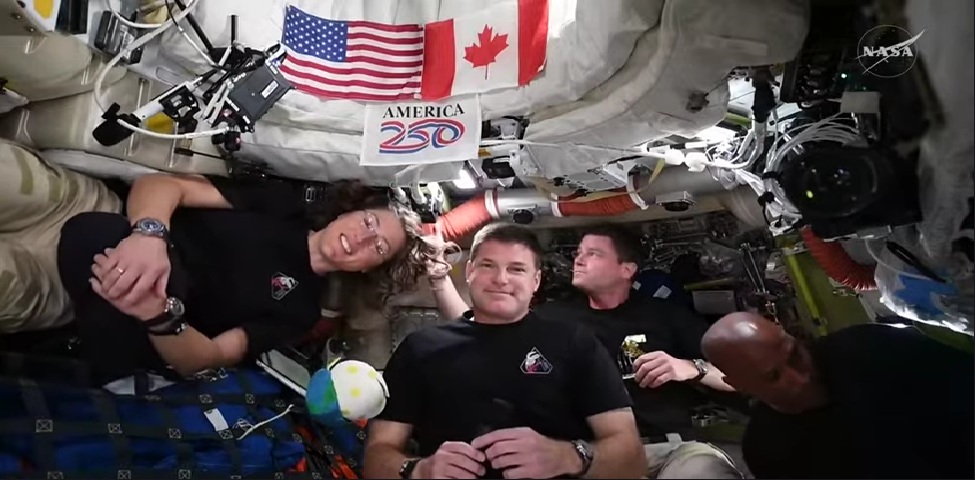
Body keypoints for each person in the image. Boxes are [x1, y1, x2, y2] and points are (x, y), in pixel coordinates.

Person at [427, 224, 741, 479]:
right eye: (578, 253)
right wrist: (439, 279)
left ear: (626, 269)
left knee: (703, 472)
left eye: (593, 254)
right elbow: (477, 330)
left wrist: (692, 367)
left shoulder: (665, 315)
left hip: (669, 452)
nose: (578, 260)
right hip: (588, 457)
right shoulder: (553, 319)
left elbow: (740, 378)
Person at [57, 173, 437, 383]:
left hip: (137, 317)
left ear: (369, 268)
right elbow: (161, 185)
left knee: (97, 243)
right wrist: (150, 235)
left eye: (379, 247)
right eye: (369, 222)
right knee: (94, 231)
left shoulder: (300, 311)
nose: (363, 238)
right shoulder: (282, 204)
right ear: (350, 211)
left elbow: (205, 359)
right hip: (125, 240)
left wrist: (158, 315)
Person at [363, 223, 646, 479]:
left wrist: (567, 457)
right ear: (470, 271)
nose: (500, 279)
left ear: (536, 281)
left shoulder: (575, 343)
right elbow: (376, 457)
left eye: (517, 269)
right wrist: (419, 470)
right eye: (488, 266)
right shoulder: (419, 349)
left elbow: (632, 458)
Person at [702, 312, 975, 479]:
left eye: (795, 355)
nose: (801, 378)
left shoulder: (870, 348)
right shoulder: (768, 450)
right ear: (739, 384)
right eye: (774, 376)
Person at [1, 139, 121, 336]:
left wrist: (160, 317)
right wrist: (151, 231)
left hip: (64, 287)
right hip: (86, 206)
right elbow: (163, 186)